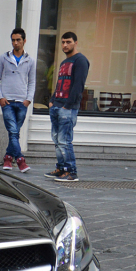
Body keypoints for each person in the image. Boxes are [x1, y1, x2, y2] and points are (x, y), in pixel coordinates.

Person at [45, 32, 88, 183]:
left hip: (67, 108)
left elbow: (78, 86)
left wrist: (67, 106)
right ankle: (61, 168)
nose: (65, 45)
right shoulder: (64, 62)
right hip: (56, 105)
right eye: (63, 42)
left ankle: (71, 172)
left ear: (75, 43)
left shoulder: (80, 60)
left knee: (65, 140)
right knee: (57, 140)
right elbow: (59, 83)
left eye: (68, 42)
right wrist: (52, 101)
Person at [0, 28, 36, 172]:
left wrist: (28, 99)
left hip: (22, 102)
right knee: (13, 131)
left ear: (24, 41)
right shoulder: (3, 58)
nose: (15, 43)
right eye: (13, 40)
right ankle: (20, 160)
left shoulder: (30, 61)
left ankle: (7, 158)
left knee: (15, 133)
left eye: (18, 40)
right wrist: (0, 97)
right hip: (7, 102)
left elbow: (32, 82)